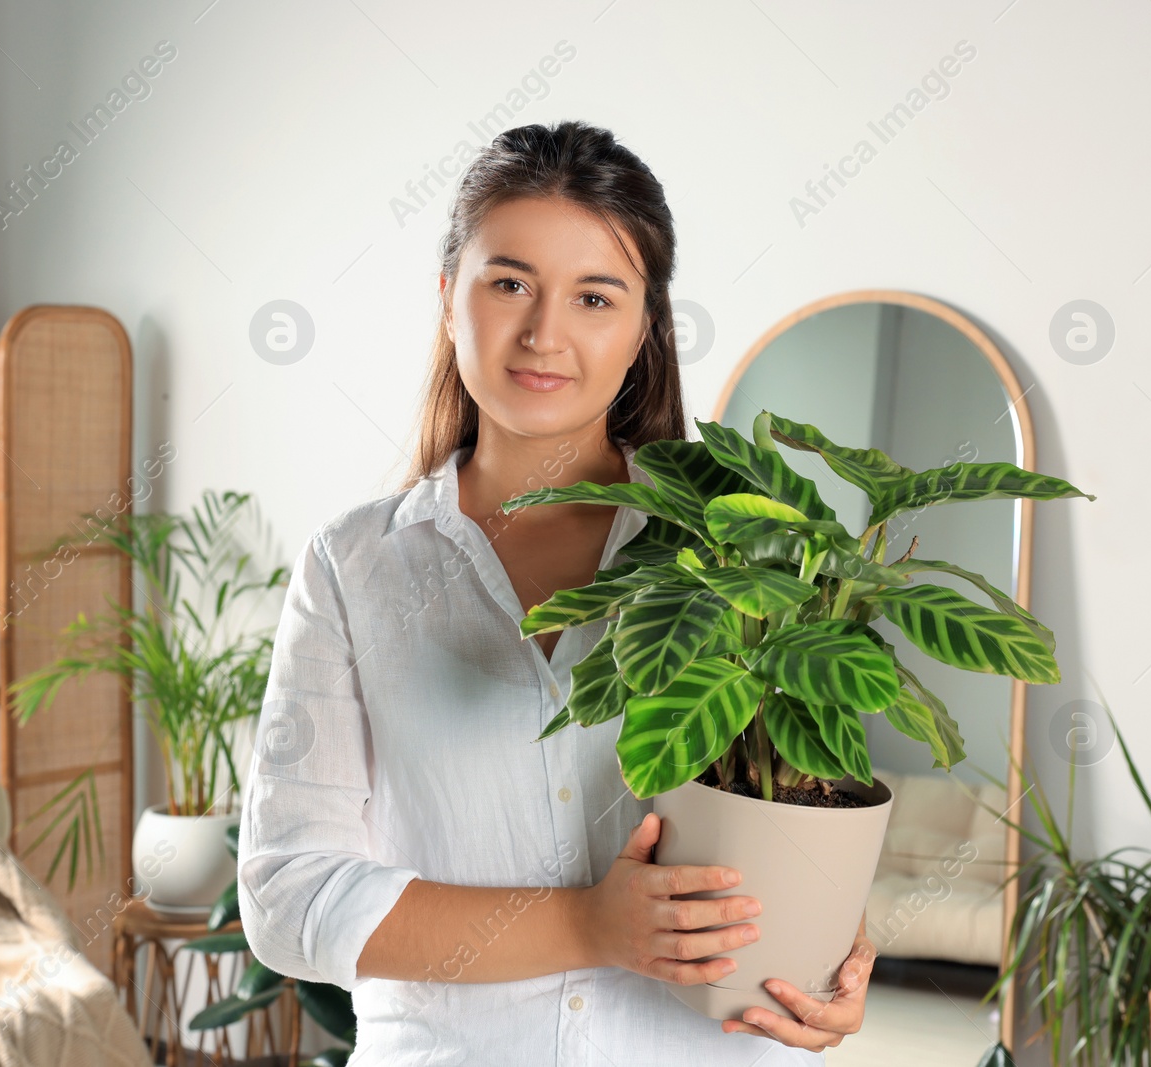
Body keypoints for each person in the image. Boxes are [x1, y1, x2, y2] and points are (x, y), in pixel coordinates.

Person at [237, 120, 875, 1064]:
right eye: (509, 284)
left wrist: (837, 956)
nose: (544, 334)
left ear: (644, 330)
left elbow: (804, 808)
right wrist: (586, 927)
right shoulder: (354, 565)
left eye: (595, 296)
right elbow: (289, 896)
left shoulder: (745, 551)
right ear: (449, 297)